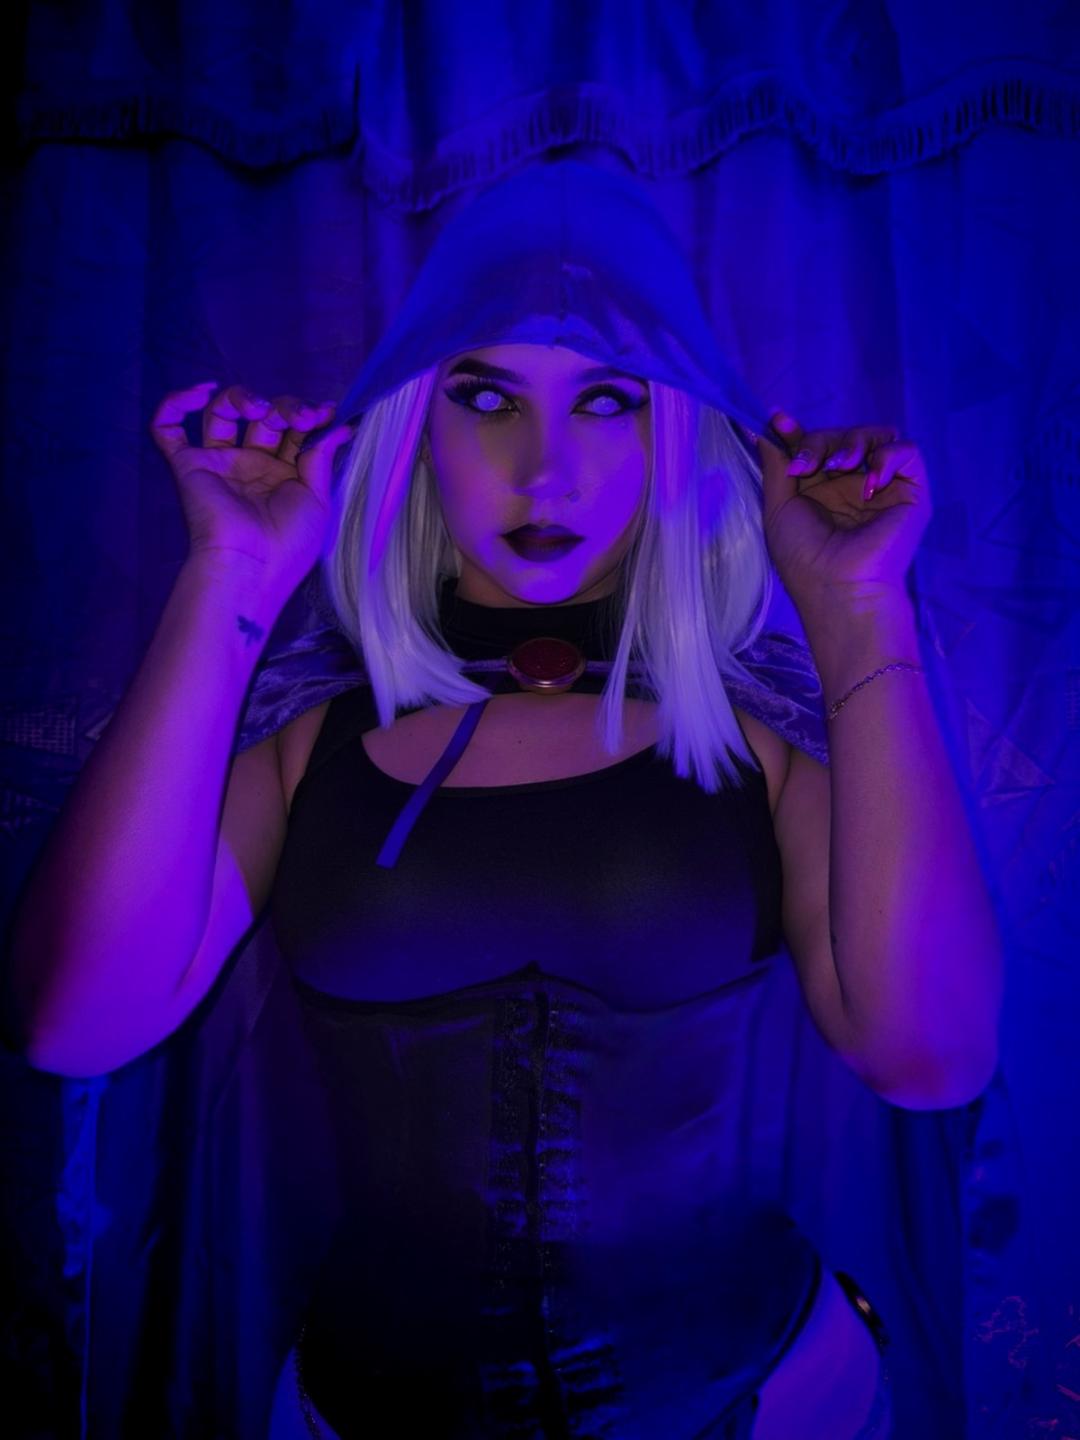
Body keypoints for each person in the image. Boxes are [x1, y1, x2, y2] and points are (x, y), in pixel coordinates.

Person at [6, 161, 1003, 1439]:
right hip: (360, 1408)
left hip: (767, 1398)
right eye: (485, 397)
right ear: (413, 425)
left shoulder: (761, 740)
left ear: (677, 432)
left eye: (608, 401)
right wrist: (231, 576)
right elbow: (70, 1024)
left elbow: (930, 1056)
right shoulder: (307, 737)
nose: (548, 471)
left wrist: (860, 609)